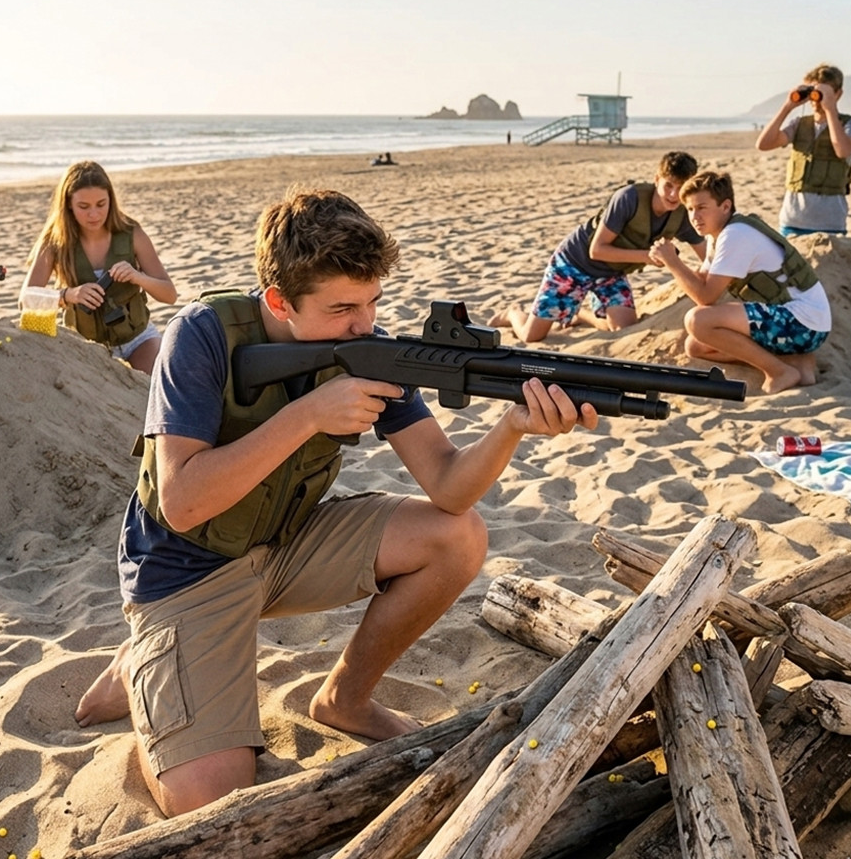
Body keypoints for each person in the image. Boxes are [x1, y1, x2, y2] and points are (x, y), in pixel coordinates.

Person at [75, 186, 599, 817]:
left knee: (457, 536)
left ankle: (345, 701)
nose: (364, 324)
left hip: (285, 546)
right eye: (342, 308)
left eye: (373, 302)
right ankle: (144, 656)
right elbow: (183, 502)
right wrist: (308, 414)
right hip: (187, 572)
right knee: (208, 804)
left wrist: (513, 426)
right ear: (277, 301)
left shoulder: (368, 348)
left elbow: (449, 485)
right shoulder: (201, 337)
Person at [490, 151, 704, 342]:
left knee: (624, 329)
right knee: (532, 336)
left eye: (681, 187)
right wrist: (648, 256)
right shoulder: (629, 198)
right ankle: (511, 313)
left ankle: (581, 314)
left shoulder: (684, 213)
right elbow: (597, 250)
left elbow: (706, 253)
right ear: (657, 180)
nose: (674, 195)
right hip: (573, 263)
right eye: (668, 185)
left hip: (611, 273)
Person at [649, 171, 830, 395]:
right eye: (690, 209)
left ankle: (778, 371)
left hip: (803, 322)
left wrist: (672, 261)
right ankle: (794, 362)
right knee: (696, 346)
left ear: (725, 206)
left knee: (697, 320)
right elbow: (702, 280)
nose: (694, 217)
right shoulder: (718, 235)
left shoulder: (736, 234)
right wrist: (671, 260)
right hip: (800, 323)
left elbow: (705, 297)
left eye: (702, 207)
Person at [23, 161, 177, 374]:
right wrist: (69, 295)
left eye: (101, 204)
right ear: (68, 204)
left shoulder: (132, 234)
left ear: (111, 200)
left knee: (161, 383)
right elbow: (26, 300)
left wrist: (137, 277)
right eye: (83, 207)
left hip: (137, 338)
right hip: (85, 346)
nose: (93, 214)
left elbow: (170, 295)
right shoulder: (54, 242)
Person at [755, 63, 851, 236]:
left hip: (831, 223)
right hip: (792, 220)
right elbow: (763, 144)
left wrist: (830, 110)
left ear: (838, 94)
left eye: (821, 93)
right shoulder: (799, 124)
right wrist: (787, 106)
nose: (815, 99)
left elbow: (842, 151)